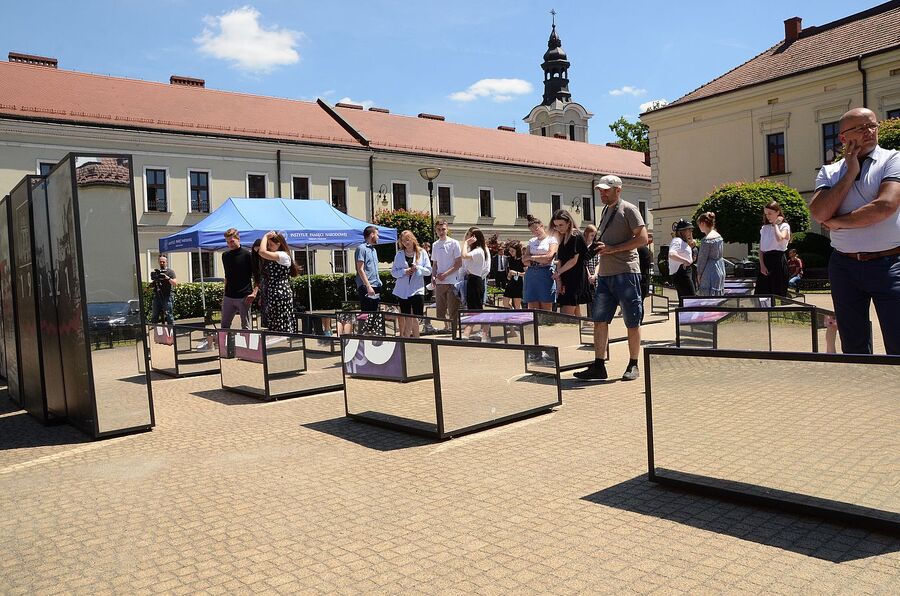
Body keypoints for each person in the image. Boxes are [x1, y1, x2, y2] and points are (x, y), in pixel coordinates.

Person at [810, 107, 900, 355]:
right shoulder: (830, 171)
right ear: (843, 138)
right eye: (860, 128)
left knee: (897, 342)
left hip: (890, 264)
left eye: (872, 125)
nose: (869, 131)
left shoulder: (893, 159)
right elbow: (819, 213)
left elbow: (885, 206)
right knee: (854, 347)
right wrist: (850, 173)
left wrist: (839, 222)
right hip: (844, 267)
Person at [574, 175, 647, 382]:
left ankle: (633, 365)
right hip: (605, 275)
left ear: (618, 190)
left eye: (606, 190)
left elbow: (642, 239)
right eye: (600, 190)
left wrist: (613, 249)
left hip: (626, 272)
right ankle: (599, 365)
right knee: (599, 321)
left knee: (632, 321)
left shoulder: (629, 209)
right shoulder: (605, 210)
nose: (602, 193)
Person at [391, 230, 432, 338]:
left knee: (414, 316)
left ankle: (408, 338)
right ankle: (412, 338)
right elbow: (394, 272)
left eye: (408, 240)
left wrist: (417, 268)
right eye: (403, 241)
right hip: (403, 290)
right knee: (407, 315)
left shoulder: (422, 252)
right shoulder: (399, 254)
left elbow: (428, 270)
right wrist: (405, 271)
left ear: (412, 239)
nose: (406, 243)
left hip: (417, 289)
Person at [257, 231, 299, 333]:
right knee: (275, 316)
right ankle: (281, 334)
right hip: (274, 291)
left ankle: (285, 334)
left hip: (280, 291)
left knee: (281, 316)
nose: (269, 247)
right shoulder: (277, 256)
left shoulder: (282, 255)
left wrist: (265, 236)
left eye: (271, 245)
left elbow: (262, 252)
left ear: (279, 244)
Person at [550, 209, 589, 316]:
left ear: (568, 222)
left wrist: (558, 273)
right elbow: (563, 259)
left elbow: (573, 260)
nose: (558, 228)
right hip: (567, 277)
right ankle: (581, 328)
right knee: (574, 312)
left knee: (566, 314)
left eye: (561, 225)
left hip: (575, 278)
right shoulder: (563, 237)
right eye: (556, 225)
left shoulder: (575, 235)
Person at [430, 220, 463, 332]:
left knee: (453, 308)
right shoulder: (435, 245)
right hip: (440, 282)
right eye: (439, 229)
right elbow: (434, 264)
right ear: (436, 231)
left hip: (452, 281)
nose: (441, 231)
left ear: (447, 229)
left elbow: (459, 263)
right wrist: (433, 277)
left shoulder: (454, 243)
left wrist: (446, 274)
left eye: (443, 229)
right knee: (441, 310)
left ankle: (454, 331)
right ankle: (447, 327)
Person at [522, 215, 558, 310]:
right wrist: (539, 259)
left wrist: (532, 258)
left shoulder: (551, 240)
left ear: (542, 226)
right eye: (532, 231)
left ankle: (546, 324)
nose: (535, 233)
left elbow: (549, 257)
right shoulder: (531, 241)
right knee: (533, 307)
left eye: (536, 230)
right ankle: (535, 324)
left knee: (546, 305)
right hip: (531, 273)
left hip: (545, 273)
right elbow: (524, 260)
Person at [755, 201, 791, 297]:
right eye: (766, 214)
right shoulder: (764, 228)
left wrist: (775, 225)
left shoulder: (784, 226)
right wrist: (762, 265)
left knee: (778, 292)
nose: (768, 216)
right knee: (761, 293)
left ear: (777, 212)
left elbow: (780, 238)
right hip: (766, 261)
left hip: (778, 260)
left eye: (770, 213)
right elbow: (761, 249)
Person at [221, 228, 254, 329]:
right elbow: (227, 276)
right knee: (224, 325)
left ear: (238, 239)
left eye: (232, 241)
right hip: (229, 296)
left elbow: (256, 275)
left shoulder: (247, 255)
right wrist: (224, 295)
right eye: (227, 242)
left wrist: (254, 293)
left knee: (246, 326)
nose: (230, 244)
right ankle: (226, 345)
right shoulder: (225, 256)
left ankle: (248, 345)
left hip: (244, 296)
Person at [460, 227, 488, 340]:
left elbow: (463, 255)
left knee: (476, 308)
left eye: (470, 236)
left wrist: (466, 243)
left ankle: (473, 332)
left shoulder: (479, 250)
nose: (467, 237)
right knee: (474, 307)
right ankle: (476, 331)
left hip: (476, 280)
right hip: (472, 280)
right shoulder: (476, 250)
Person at [696, 212, 726, 296]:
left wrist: (699, 274)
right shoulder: (718, 236)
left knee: (708, 298)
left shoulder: (706, 240)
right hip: (720, 268)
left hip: (709, 271)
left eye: (699, 224)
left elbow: (702, 259)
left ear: (702, 223)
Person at [355, 226, 382, 312]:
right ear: (372, 235)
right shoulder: (361, 248)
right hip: (367, 286)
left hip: (376, 285)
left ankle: (372, 326)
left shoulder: (374, 250)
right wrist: (368, 286)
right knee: (366, 313)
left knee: (374, 313)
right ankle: (364, 326)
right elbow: (360, 269)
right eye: (377, 235)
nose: (378, 237)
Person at [668, 220, 696, 298]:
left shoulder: (683, 242)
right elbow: (672, 254)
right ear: (682, 231)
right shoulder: (677, 240)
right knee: (690, 299)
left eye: (691, 230)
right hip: (682, 273)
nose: (691, 232)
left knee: (686, 299)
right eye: (689, 230)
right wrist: (685, 260)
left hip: (685, 272)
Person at [150, 254, 177, 325]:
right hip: (157, 296)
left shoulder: (170, 272)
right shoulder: (157, 272)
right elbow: (153, 284)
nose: (162, 263)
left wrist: (167, 277)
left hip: (167, 296)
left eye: (163, 262)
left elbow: (174, 283)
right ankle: (155, 333)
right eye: (160, 262)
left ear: (166, 262)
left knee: (169, 315)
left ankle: (171, 333)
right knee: (154, 315)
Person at [583, 224, 601, 317]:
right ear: (586, 233)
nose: (593, 237)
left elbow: (599, 262)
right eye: (592, 235)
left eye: (594, 235)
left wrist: (595, 275)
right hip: (586, 275)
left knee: (595, 297)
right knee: (588, 297)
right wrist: (589, 274)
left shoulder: (595, 246)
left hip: (594, 275)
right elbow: (583, 262)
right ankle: (590, 317)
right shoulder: (583, 247)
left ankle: (595, 316)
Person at [249, 239, 267, 327]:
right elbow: (257, 279)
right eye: (256, 252)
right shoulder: (257, 260)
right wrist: (258, 294)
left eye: (259, 250)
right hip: (265, 290)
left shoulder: (269, 258)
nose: (258, 253)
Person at [502, 241, 525, 309]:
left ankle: (518, 316)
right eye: (510, 251)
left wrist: (516, 273)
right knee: (505, 302)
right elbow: (510, 271)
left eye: (512, 251)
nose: (510, 252)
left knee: (517, 305)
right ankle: (512, 311)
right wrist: (509, 275)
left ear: (517, 251)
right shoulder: (511, 259)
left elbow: (526, 273)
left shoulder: (522, 260)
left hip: (518, 283)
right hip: (510, 282)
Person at [637, 232, 653, 317]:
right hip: (644, 278)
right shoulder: (646, 250)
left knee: (639, 302)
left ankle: (638, 322)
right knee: (640, 302)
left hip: (641, 279)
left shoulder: (641, 250)